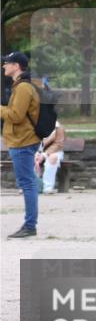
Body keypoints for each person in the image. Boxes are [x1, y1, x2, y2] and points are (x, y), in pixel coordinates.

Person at [2, 52, 41, 238]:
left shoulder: (23, 87)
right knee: (27, 182)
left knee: (27, 183)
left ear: (16, 66)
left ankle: (30, 225)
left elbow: (16, 116)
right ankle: (30, 224)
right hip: (21, 140)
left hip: (23, 141)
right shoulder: (21, 86)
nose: (4, 66)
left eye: (6, 63)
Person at [35, 120, 65, 194]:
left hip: (55, 152)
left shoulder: (58, 128)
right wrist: (36, 153)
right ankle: (32, 186)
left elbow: (58, 144)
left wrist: (44, 154)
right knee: (29, 158)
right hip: (36, 151)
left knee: (53, 158)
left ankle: (48, 187)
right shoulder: (33, 125)